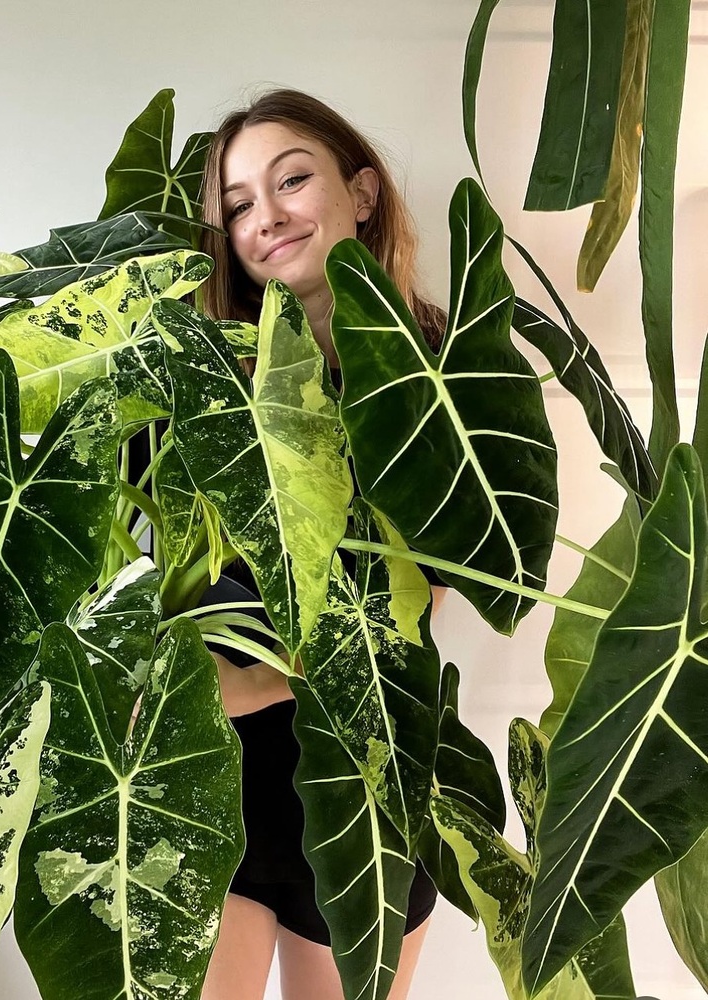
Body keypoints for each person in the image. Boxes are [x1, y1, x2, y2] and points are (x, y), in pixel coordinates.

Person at [194, 88, 447, 1000]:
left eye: (292, 179)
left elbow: (408, 609)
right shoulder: (200, 379)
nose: (267, 217)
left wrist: (220, 695)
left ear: (364, 192)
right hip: (211, 788)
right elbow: (172, 582)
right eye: (238, 205)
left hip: (361, 785)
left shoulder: (438, 373)